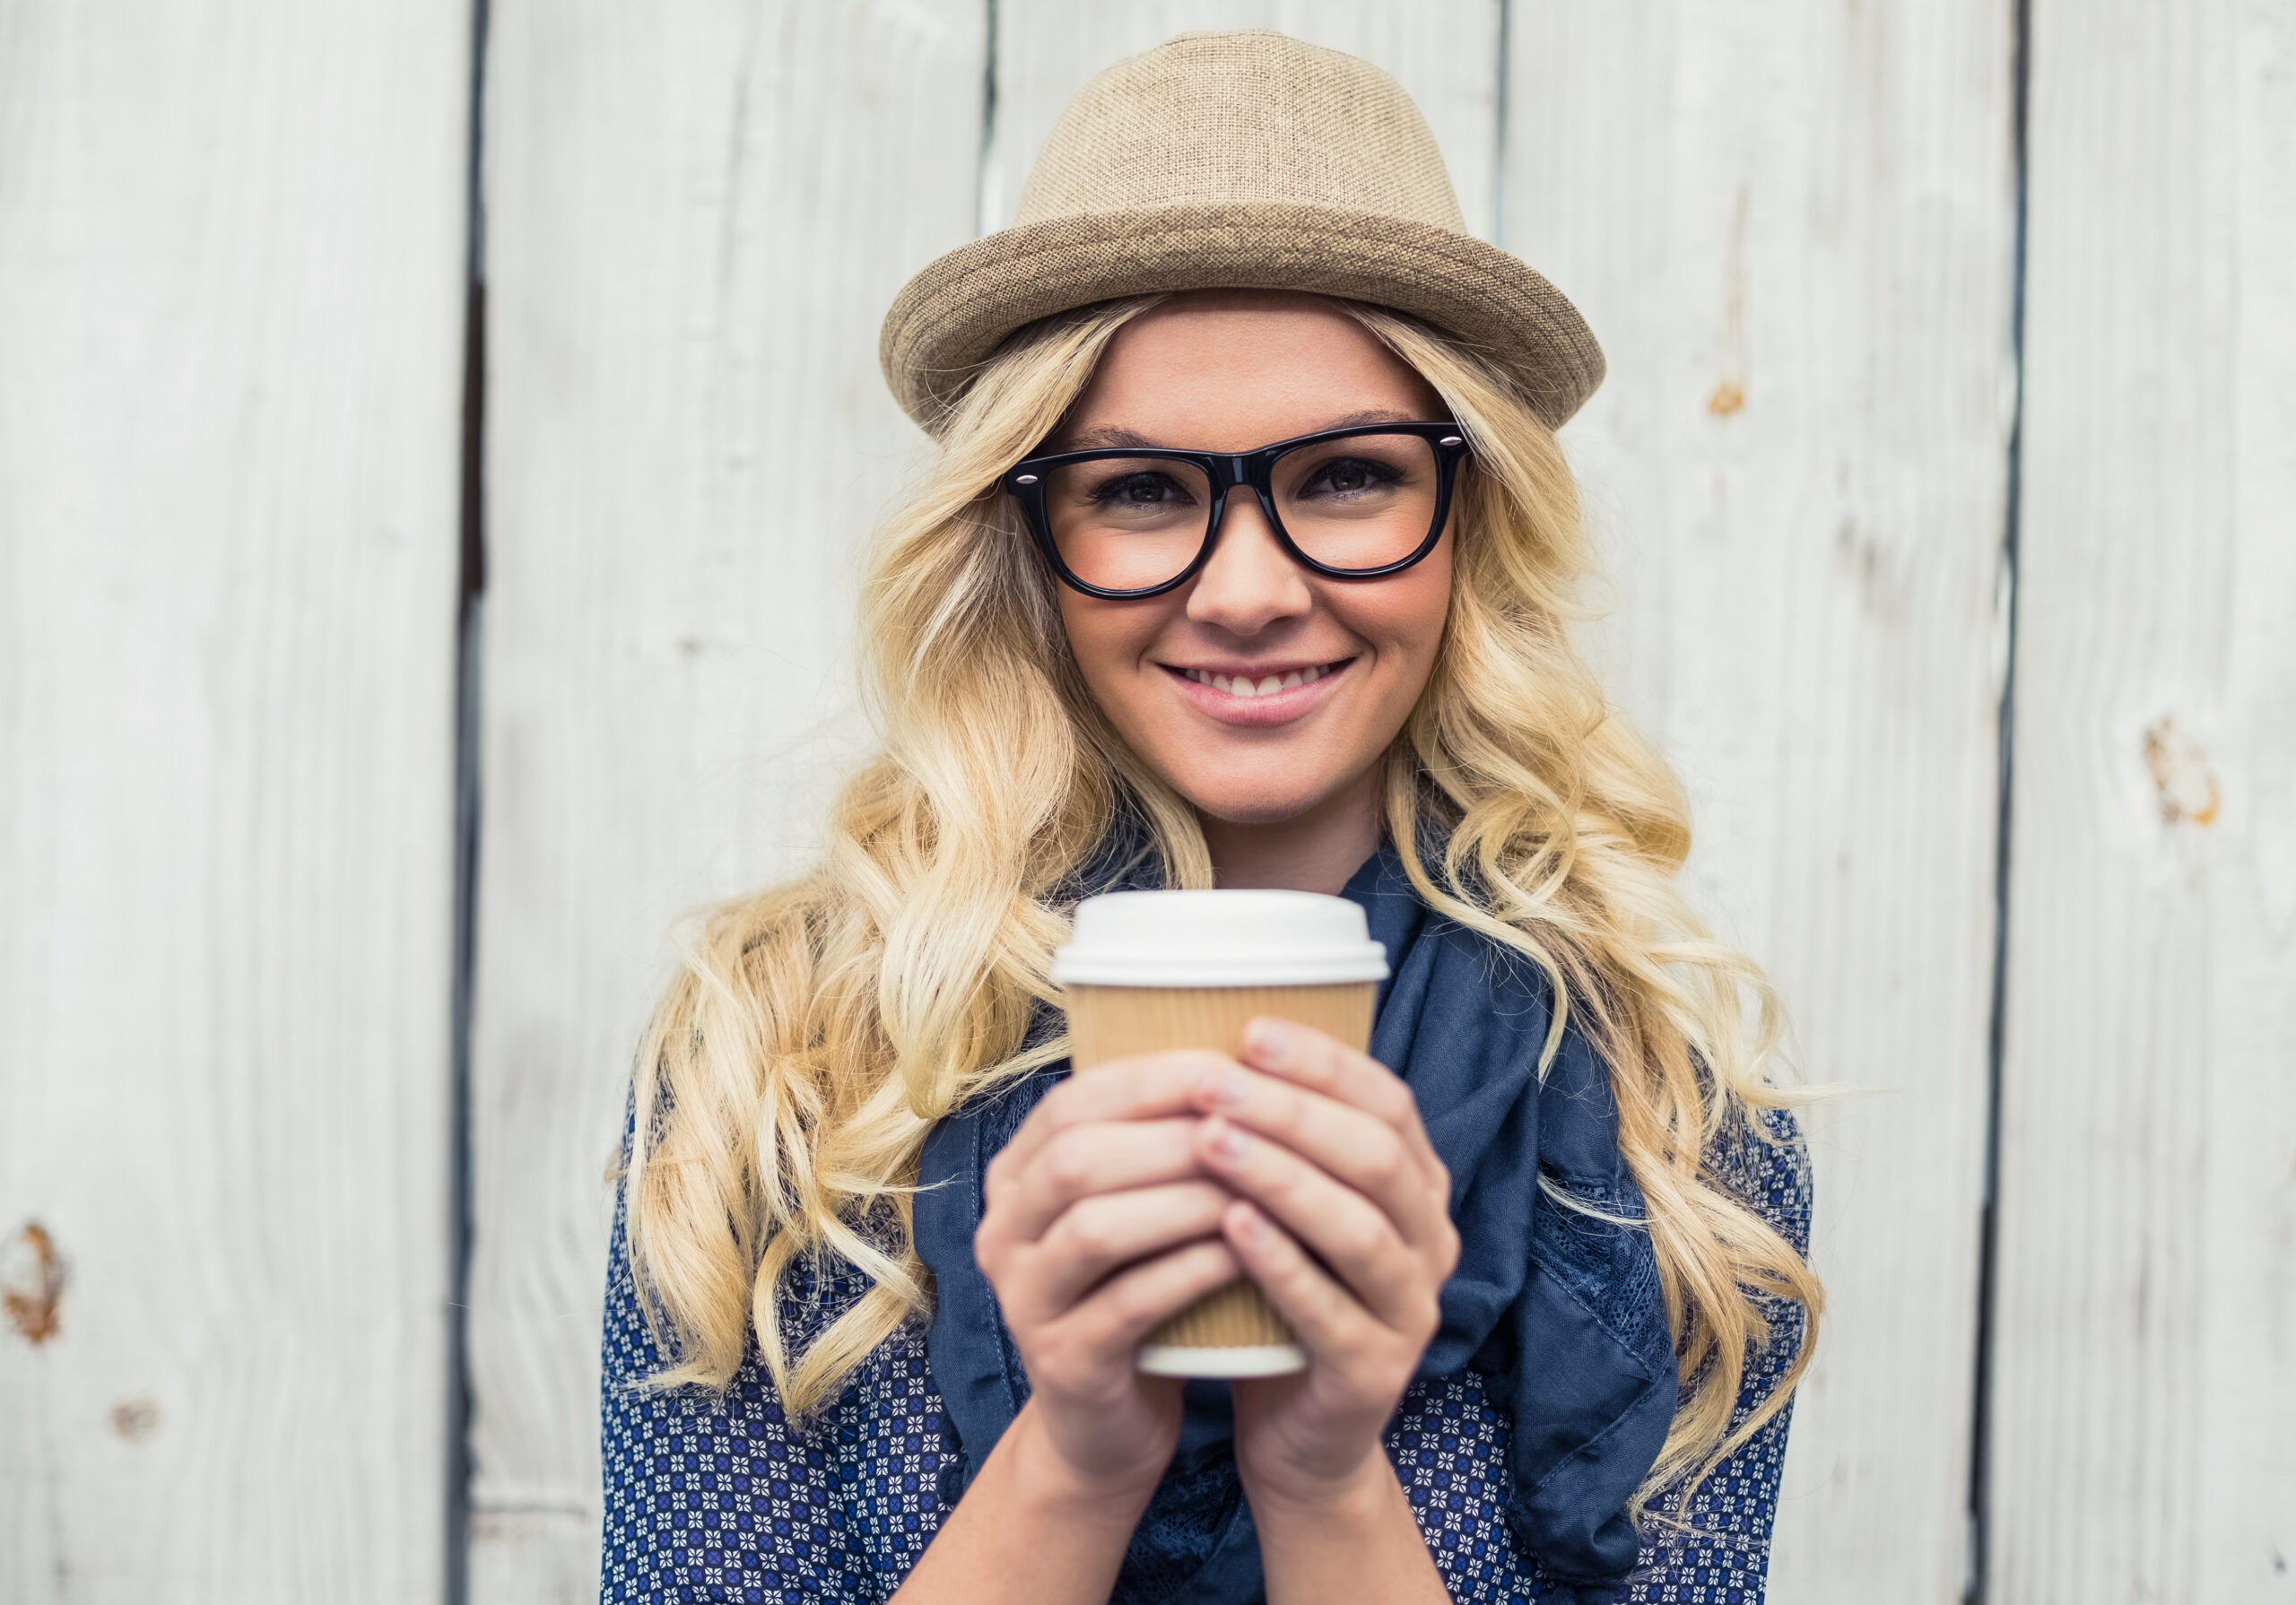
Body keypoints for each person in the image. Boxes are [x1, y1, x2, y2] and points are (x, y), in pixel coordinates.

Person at [601, 30, 1822, 1605]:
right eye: (1140, 491)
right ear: (1025, 535)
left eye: (1347, 479)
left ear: (1471, 520)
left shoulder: (1673, 1126)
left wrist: (1321, 1469)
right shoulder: (774, 1069)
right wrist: (1077, 1457)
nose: (1248, 591)